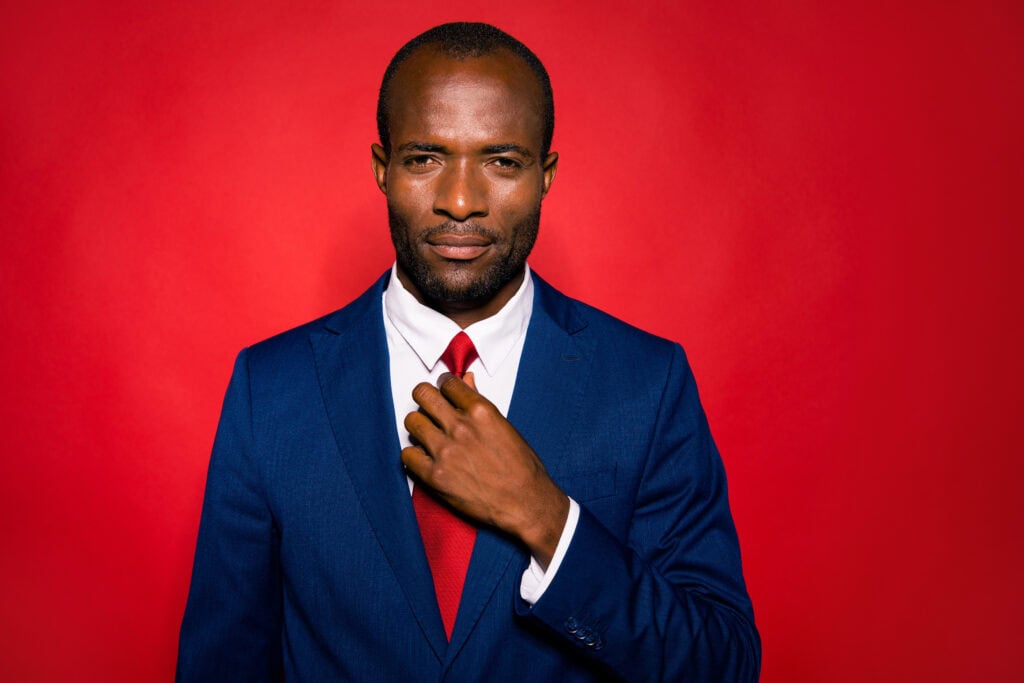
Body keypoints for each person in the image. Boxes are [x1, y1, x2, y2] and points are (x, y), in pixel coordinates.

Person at [177, 22, 760, 682]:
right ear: (382, 168)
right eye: (425, 158)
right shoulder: (271, 388)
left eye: (501, 162)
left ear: (546, 175)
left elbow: (721, 664)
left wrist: (546, 516)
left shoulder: (646, 386)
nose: (459, 201)